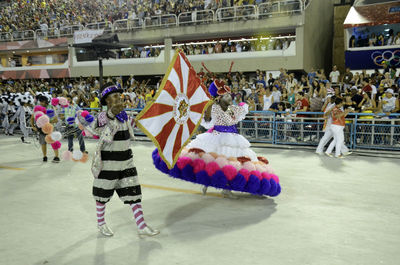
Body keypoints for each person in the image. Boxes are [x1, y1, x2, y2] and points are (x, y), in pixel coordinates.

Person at [151, 80, 281, 198]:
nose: (229, 97)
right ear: (218, 98)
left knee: (233, 164)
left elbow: (241, 111)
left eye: (229, 94)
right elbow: (217, 120)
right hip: (218, 137)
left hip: (233, 138)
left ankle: (223, 188)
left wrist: (246, 104)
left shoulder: (230, 108)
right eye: (226, 95)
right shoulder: (214, 109)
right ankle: (212, 185)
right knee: (217, 162)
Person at [80, 83, 159, 237]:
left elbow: (139, 125)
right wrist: (110, 114)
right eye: (115, 96)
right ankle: (101, 223)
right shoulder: (102, 117)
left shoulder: (126, 117)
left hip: (126, 162)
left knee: (134, 192)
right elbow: (93, 129)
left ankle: (141, 225)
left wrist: (151, 111)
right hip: (108, 164)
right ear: (107, 101)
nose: (119, 98)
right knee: (102, 195)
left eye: (119, 95)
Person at [31, 95, 60, 163]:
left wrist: (47, 122)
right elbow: (32, 117)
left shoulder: (51, 108)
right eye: (40, 102)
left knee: (53, 142)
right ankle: (44, 156)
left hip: (50, 128)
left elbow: (55, 120)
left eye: (42, 102)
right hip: (41, 129)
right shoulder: (37, 108)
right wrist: (33, 126)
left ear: (46, 102)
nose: (41, 103)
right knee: (43, 143)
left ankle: (56, 156)